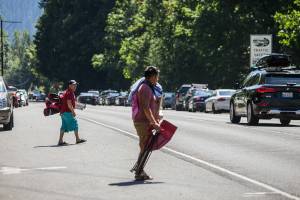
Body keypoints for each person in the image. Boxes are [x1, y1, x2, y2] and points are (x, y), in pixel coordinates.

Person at [132, 66, 162, 180]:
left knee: (145, 147)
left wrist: (156, 118)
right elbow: (145, 107)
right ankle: (139, 172)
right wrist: (154, 123)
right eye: (157, 76)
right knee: (145, 146)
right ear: (152, 76)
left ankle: (139, 169)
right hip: (143, 121)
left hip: (145, 121)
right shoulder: (145, 88)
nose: (158, 79)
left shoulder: (149, 87)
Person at [58, 80, 86, 146]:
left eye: (76, 85)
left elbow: (71, 103)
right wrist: (73, 112)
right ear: (69, 85)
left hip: (63, 112)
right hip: (67, 112)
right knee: (75, 123)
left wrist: (80, 106)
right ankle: (77, 139)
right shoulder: (69, 93)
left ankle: (60, 141)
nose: (75, 86)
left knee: (64, 126)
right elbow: (69, 104)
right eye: (73, 85)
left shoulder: (67, 92)